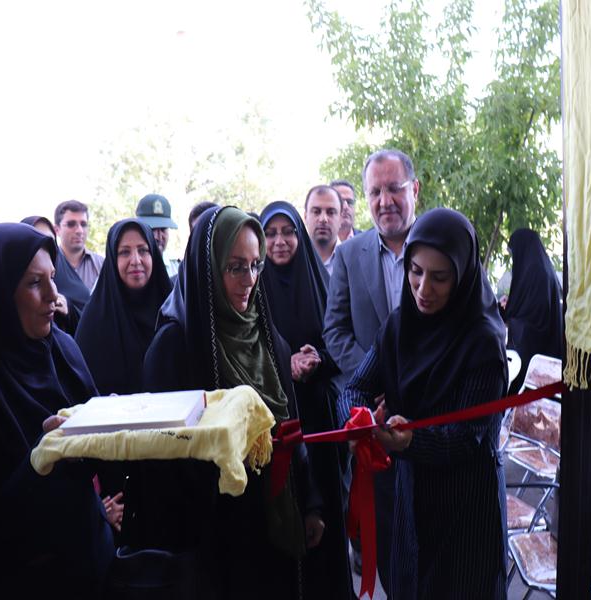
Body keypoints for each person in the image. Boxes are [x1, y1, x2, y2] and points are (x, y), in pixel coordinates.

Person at [141, 205, 323, 599]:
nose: (250, 280)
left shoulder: (268, 338)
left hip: (271, 526)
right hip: (211, 539)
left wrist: (309, 503)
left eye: (256, 265)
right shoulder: (175, 346)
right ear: (208, 268)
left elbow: (290, 428)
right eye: (236, 267)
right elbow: (164, 459)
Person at [338, 208, 509, 599]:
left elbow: (468, 438)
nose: (423, 289)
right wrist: (358, 420)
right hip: (411, 499)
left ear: (463, 276)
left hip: (466, 506)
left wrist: (411, 441)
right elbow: (356, 386)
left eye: (439, 277)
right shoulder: (400, 325)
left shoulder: (482, 342)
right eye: (415, 272)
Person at [0, 223, 114, 598]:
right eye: (35, 283)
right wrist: (44, 456)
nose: (54, 295)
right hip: (20, 581)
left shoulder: (62, 349)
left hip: (91, 560)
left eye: (53, 277)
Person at [323, 148, 420, 591]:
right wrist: (371, 374)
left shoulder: (439, 242)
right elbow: (335, 330)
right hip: (376, 424)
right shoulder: (349, 255)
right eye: (375, 192)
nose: (385, 201)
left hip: (432, 422)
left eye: (394, 189)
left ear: (414, 190)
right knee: (390, 545)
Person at [260, 201, 353, 599]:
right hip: (275, 422)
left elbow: (340, 342)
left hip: (318, 420)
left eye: (287, 232)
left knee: (326, 514)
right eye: (270, 233)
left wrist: (317, 358)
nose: (279, 241)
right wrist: (285, 362)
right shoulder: (253, 290)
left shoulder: (322, 284)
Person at [75, 219, 171, 396]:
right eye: (125, 252)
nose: (136, 260)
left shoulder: (173, 312)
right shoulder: (94, 322)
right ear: (112, 259)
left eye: (143, 250)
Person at [503, 228, 564, 392]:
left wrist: (509, 319)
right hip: (542, 357)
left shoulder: (535, 271)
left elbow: (535, 325)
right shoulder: (540, 268)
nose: (514, 259)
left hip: (533, 361)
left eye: (514, 253)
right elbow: (530, 308)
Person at [21, 215, 91, 335]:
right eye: (36, 240)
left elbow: (90, 326)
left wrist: (69, 309)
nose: (52, 294)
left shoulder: (66, 275)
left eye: (49, 241)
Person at [54, 199, 105, 290]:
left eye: (83, 224)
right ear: (57, 230)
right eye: (71, 224)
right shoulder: (49, 264)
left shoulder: (102, 265)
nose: (79, 231)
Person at [136, 193, 181, 278]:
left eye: (163, 229)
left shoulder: (178, 267)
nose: (158, 237)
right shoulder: (130, 266)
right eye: (152, 229)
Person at [303, 185, 343, 275]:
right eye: (316, 212)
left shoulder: (353, 260)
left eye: (331, 212)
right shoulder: (295, 259)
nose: (323, 219)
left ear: (340, 218)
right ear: (305, 217)